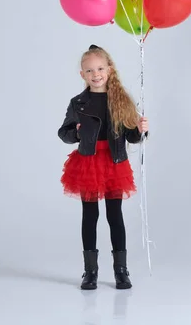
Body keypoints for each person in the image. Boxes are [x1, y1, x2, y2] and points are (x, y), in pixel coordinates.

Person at [58, 44, 149, 291]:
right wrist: (75, 134)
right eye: (89, 70)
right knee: (90, 215)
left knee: (114, 215)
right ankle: (90, 272)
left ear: (109, 69)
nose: (95, 74)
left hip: (113, 162)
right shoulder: (78, 102)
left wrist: (141, 131)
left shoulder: (121, 100)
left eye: (99, 68)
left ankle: (121, 271)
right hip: (88, 162)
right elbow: (63, 132)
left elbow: (131, 137)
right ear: (82, 74)